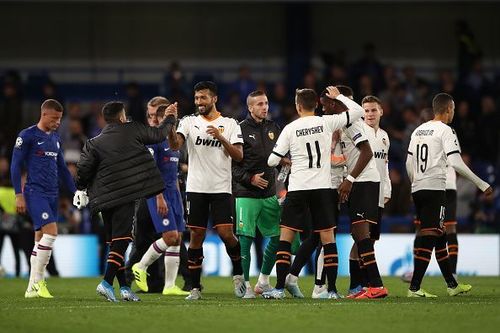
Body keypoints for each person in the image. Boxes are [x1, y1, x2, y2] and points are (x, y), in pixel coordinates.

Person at [262, 87, 364, 299]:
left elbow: (272, 160)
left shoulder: (290, 128)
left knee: (286, 238)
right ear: (316, 104)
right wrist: (339, 97)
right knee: (328, 239)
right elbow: (357, 111)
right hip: (322, 190)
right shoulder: (327, 122)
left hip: (298, 189)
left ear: (298, 106)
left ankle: (280, 288)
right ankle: (332, 290)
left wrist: (287, 159)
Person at [74, 100, 178, 302]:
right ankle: (106, 283)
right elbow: (158, 135)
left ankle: (123, 288)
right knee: (121, 243)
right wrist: (170, 118)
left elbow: (83, 170)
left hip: (104, 200)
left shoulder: (94, 142)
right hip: (126, 196)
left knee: (115, 243)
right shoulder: (133, 130)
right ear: (122, 117)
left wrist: (80, 188)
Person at [406, 93, 492, 298]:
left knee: (440, 236)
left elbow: (409, 163)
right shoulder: (446, 130)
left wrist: (414, 183)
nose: (453, 112)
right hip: (435, 189)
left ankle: (452, 285)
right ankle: (415, 288)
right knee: (431, 236)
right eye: (452, 109)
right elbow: (455, 162)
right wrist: (481, 183)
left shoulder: (418, 130)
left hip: (418, 188)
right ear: (448, 109)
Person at [168, 81, 245, 300]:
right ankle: (194, 288)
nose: (199, 102)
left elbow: (239, 156)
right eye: (196, 98)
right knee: (196, 235)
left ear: (214, 99)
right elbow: (175, 145)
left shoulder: (230, 124)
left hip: (221, 188)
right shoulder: (189, 122)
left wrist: (221, 138)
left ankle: (238, 275)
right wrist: (171, 122)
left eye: (203, 98)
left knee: (226, 234)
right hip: (196, 188)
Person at [323, 86, 388, 299]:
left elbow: (367, 152)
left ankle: (376, 285)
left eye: (326, 105)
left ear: (335, 104)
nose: (324, 109)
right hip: (360, 183)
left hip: (364, 182)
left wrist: (349, 180)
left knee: (362, 234)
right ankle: (367, 285)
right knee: (360, 236)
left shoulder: (351, 122)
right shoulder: (343, 126)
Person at [10, 99, 77, 298]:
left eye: (60, 119)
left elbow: (63, 169)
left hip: (52, 194)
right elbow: (15, 166)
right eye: (55, 118)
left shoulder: (55, 138)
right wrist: (18, 195)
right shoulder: (27, 135)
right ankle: (39, 281)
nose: (58, 122)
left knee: (39, 239)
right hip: (34, 192)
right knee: (51, 233)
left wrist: (76, 191)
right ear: (44, 114)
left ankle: (31, 287)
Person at [132, 97, 189, 296]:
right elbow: (150, 171)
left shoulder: (173, 140)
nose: (155, 119)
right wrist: (158, 196)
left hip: (174, 193)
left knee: (178, 238)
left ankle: (169, 285)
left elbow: (174, 166)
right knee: (170, 236)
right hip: (159, 193)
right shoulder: (153, 140)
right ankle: (140, 266)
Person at [232, 90, 282, 298]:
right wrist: (250, 178)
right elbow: (232, 167)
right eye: (260, 104)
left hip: (269, 193)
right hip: (246, 193)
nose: (265, 107)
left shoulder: (273, 127)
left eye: (266, 103)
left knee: (279, 237)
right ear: (250, 107)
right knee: (245, 240)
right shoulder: (239, 129)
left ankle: (263, 281)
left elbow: (280, 157)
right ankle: (244, 286)